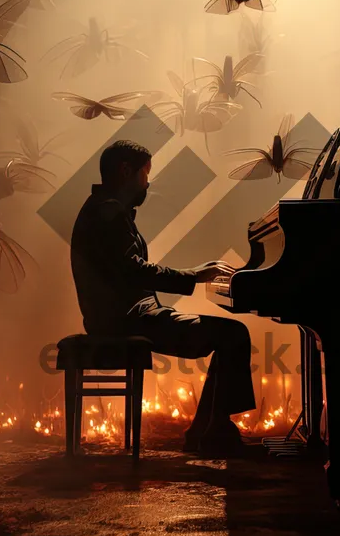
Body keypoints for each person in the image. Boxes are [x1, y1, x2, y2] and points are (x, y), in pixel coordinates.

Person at [70, 140, 256, 454]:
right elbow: (135, 271)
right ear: (125, 171)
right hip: (126, 321)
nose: (148, 182)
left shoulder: (105, 209)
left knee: (230, 335)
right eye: (145, 174)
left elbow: (129, 271)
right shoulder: (109, 213)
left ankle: (208, 431)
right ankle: (213, 433)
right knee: (233, 334)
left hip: (124, 315)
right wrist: (194, 275)